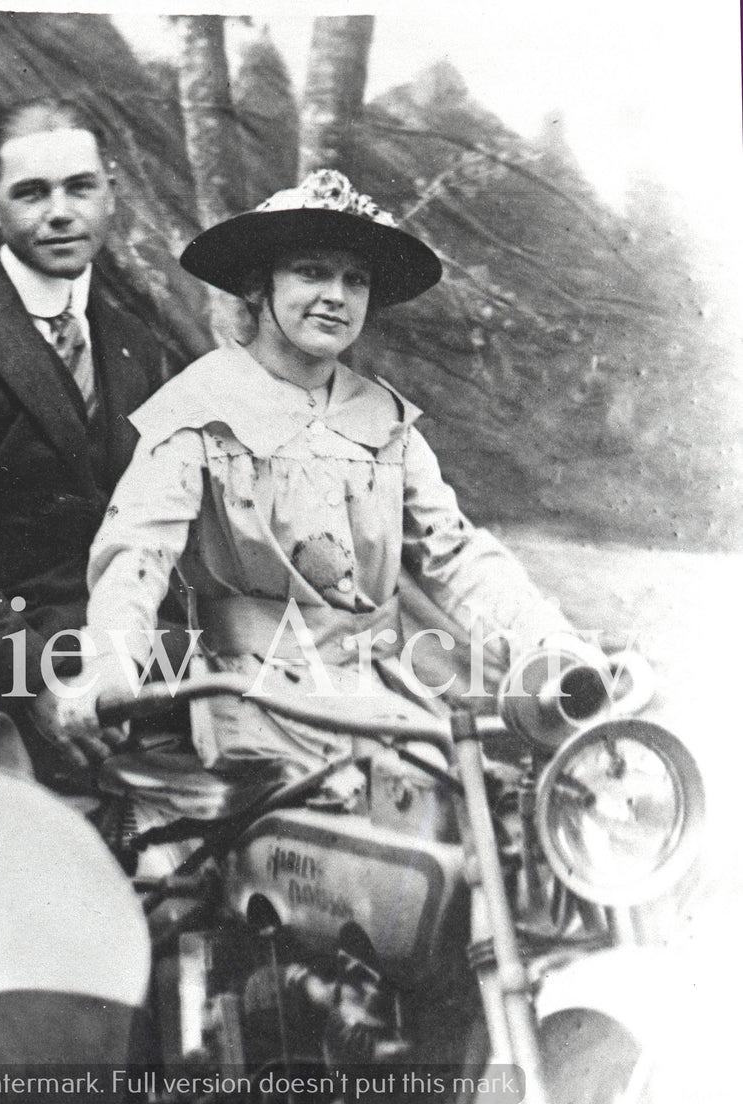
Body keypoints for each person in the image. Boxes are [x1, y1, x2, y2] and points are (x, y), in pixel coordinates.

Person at [54, 170, 586, 777]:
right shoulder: (200, 408)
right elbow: (138, 553)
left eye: (354, 279)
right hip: (258, 699)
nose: (336, 295)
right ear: (259, 287)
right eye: (311, 272)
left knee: (490, 806)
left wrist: (549, 639)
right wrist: (114, 661)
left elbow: (455, 552)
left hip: (388, 687)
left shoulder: (383, 418)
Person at [0, 99, 167, 782]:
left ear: (110, 193)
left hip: (127, 670)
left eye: (79, 187)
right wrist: (33, 686)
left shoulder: (135, 339)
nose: (61, 211)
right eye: (31, 193)